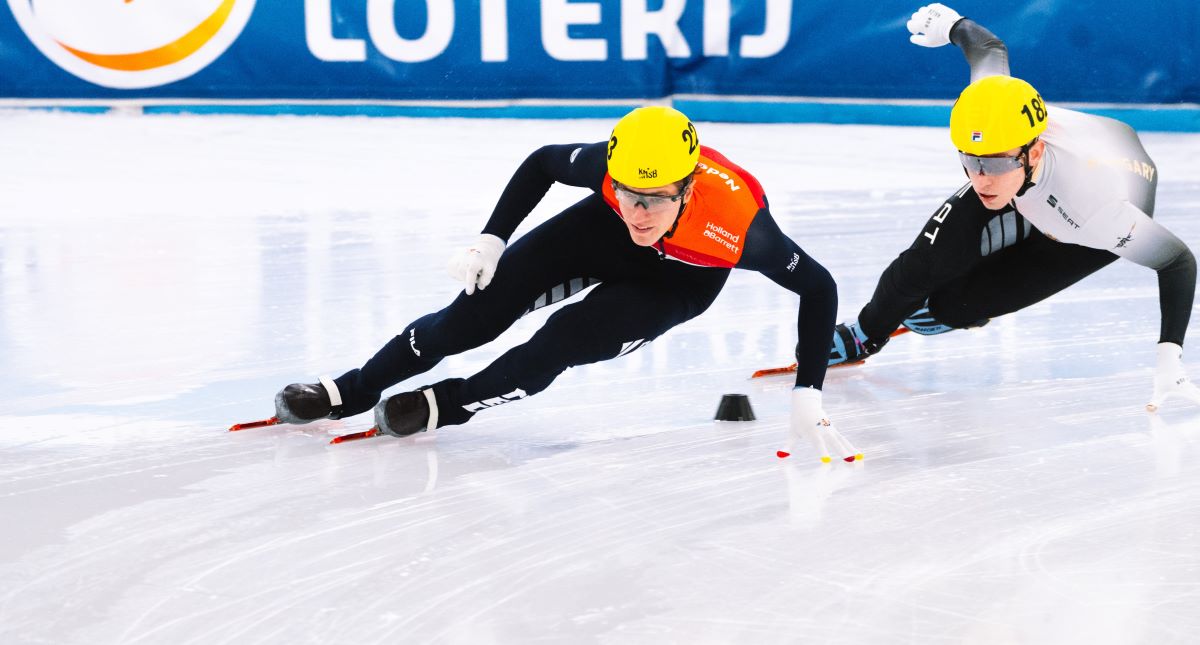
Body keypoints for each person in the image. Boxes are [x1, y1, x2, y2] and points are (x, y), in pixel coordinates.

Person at [269, 106, 859, 462]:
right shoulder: (610, 174)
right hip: (593, 236)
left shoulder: (741, 229)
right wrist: (492, 237)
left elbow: (820, 286)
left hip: (678, 280)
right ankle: (353, 388)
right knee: (467, 319)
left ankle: (447, 406)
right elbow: (542, 163)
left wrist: (809, 389)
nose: (640, 213)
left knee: (560, 342)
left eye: (655, 200)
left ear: (686, 188)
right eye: (629, 194)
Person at [828, 4, 1200, 412]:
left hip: (1088, 224)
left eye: (994, 162)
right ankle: (866, 334)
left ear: (1033, 151)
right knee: (921, 266)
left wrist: (1170, 358)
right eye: (970, 160)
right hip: (1048, 179)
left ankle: (956, 305)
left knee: (949, 307)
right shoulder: (996, 114)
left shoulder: (1097, 209)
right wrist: (952, 24)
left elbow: (1177, 261)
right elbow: (988, 48)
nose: (980, 179)